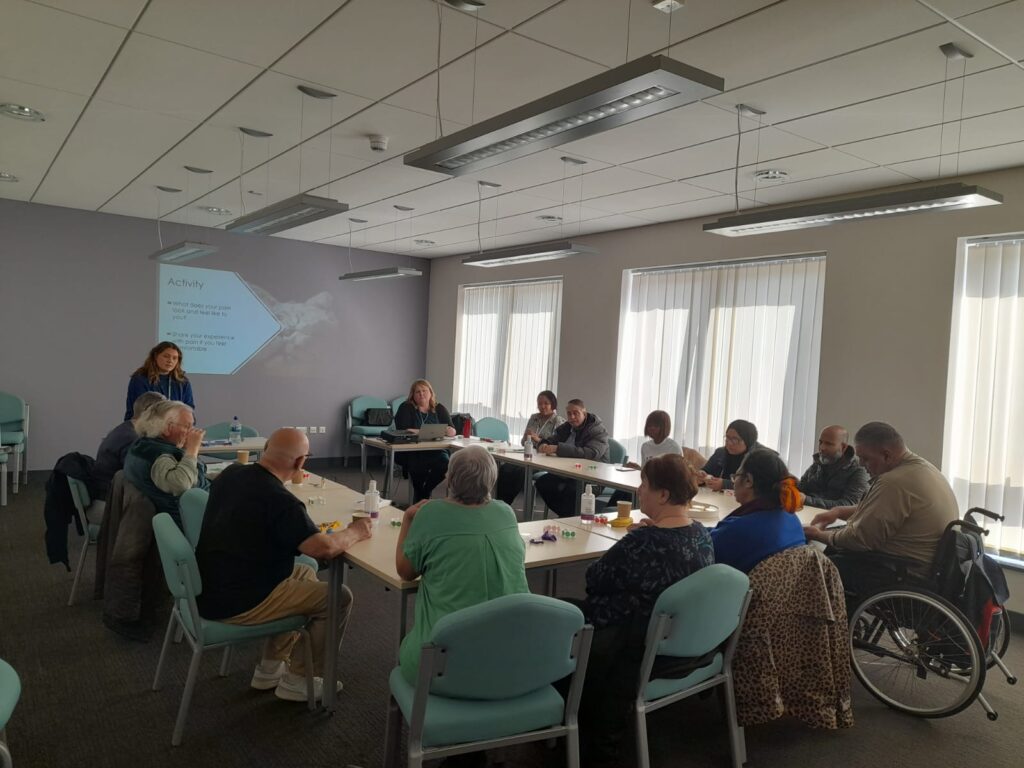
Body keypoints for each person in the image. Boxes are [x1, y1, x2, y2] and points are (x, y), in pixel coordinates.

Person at [196, 428, 373, 702]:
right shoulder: (280, 500)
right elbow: (322, 549)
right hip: (238, 599)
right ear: (301, 463)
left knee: (303, 571)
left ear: (266, 449)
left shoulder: (233, 473)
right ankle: (299, 679)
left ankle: (270, 667)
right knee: (338, 597)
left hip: (213, 581)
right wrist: (357, 531)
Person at [575, 454, 714, 765]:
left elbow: (593, 579)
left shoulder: (642, 542)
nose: (639, 491)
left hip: (630, 641)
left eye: (645, 485)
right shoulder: (702, 535)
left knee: (563, 613)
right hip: (677, 640)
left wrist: (639, 536)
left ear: (663, 495)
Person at [396, 446, 528, 685]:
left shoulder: (430, 514)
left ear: (450, 479)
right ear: (492, 478)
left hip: (442, 664)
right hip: (511, 660)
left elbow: (405, 572)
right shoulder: (506, 512)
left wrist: (407, 519)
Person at [804, 422, 958, 591]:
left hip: (902, 571)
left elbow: (860, 539)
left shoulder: (894, 482)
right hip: (926, 567)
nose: (861, 464)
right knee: (832, 548)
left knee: (815, 567)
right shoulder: (922, 468)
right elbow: (881, 509)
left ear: (886, 455)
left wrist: (819, 535)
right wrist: (838, 512)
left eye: (865, 458)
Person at [710, 449, 806, 573]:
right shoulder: (792, 518)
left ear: (748, 481)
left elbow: (704, 554)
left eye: (736, 476)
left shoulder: (738, 530)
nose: (734, 483)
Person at [122, 400, 209, 527]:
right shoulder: (159, 455)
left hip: (199, 509)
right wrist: (192, 449)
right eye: (187, 426)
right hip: (194, 521)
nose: (192, 432)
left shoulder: (143, 445)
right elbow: (180, 484)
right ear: (168, 428)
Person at [534, 399, 610, 517]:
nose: (572, 417)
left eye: (576, 413)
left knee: (571, 491)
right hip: (568, 472)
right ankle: (567, 517)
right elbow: (552, 439)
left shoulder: (597, 430)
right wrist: (542, 444)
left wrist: (557, 448)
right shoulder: (567, 427)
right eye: (569, 414)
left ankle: (568, 518)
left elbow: (590, 453)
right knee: (543, 483)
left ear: (584, 414)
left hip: (592, 476)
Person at [494, 390, 564, 505]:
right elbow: (523, 442)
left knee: (522, 471)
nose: (542, 406)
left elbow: (557, 446)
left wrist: (538, 440)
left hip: (545, 459)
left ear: (553, 404)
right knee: (506, 468)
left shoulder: (558, 421)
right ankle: (498, 501)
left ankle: (506, 503)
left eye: (546, 403)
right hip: (528, 454)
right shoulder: (534, 418)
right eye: (540, 403)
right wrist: (527, 437)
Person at [93, 392, 166, 498]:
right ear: (151, 415)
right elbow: (141, 478)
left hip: (108, 494)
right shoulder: (132, 439)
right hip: (111, 502)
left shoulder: (126, 429)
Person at [393, 379, 456, 503]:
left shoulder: (439, 408)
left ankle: (425, 492)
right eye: (418, 392)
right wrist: (436, 431)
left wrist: (448, 431)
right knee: (417, 466)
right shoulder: (406, 407)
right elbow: (404, 430)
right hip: (413, 450)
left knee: (445, 463)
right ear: (413, 395)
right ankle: (421, 494)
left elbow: (453, 430)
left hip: (436, 450)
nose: (421, 394)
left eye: (424, 391)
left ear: (431, 393)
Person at [608, 409, 682, 507]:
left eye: (655, 426)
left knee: (630, 494)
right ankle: (609, 511)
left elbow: (676, 475)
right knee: (622, 491)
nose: (651, 428)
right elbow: (645, 471)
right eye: (649, 426)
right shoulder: (645, 446)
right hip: (648, 484)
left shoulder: (673, 447)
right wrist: (638, 468)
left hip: (663, 487)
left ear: (664, 428)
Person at [797, 425, 870, 509]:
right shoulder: (818, 464)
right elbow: (801, 489)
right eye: (820, 442)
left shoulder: (858, 471)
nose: (822, 448)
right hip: (810, 516)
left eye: (829, 444)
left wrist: (807, 500)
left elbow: (849, 505)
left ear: (843, 447)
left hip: (840, 521)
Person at [125, 341, 195, 420]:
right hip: (143, 427)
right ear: (155, 356)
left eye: (174, 358)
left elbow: (189, 409)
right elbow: (143, 410)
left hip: (174, 427)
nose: (170, 360)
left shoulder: (182, 382)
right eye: (166, 356)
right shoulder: (140, 379)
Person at [700, 419, 770, 491]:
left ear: (748, 441)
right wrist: (700, 477)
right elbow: (706, 472)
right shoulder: (720, 453)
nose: (729, 443)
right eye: (727, 438)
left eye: (735, 440)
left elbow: (760, 485)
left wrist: (725, 484)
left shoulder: (763, 458)